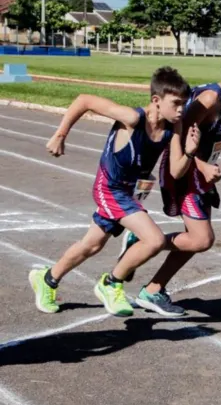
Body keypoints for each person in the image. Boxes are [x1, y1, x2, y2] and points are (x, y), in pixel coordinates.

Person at [30, 67, 198, 316]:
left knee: (92, 245)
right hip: (109, 188)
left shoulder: (174, 127)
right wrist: (60, 134)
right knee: (154, 240)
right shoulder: (132, 118)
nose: (181, 109)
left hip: (129, 193)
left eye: (184, 104)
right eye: (176, 103)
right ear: (156, 100)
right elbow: (84, 100)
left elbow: (176, 171)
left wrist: (190, 151)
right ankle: (110, 283)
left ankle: (47, 279)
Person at [125, 43, 221, 316]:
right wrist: (202, 166)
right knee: (202, 239)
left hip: (201, 173)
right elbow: (177, 136)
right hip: (183, 168)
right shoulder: (209, 100)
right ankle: (143, 243)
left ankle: (153, 289)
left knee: (195, 240)